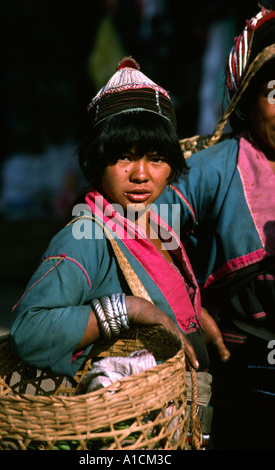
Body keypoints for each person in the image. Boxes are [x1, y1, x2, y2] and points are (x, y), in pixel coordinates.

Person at [10, 57, 228, 380]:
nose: (141, 175)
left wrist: (193, 315)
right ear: (98, 161)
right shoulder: (86, 237)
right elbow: (29, 330)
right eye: (125, 156)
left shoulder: (156, 222)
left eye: (156, 159)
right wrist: (127, 309)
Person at [156, 7, 275, 449]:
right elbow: (141, 230)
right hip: (241, 363)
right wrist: (185, 301)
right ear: (246, 98)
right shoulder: (212, 169)